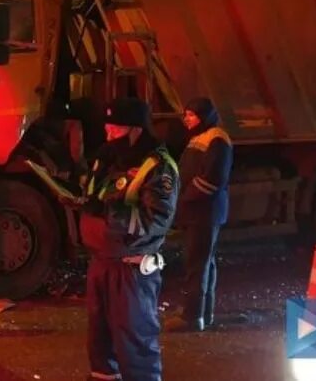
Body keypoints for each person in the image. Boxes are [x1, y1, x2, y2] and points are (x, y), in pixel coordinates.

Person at [79, 98, 179, 381]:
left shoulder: (157, 166)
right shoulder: (108, 157)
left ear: (135, 130)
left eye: (116, 129)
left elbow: (157, 220)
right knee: (100, 342)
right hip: (102, 262)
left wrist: (109, 213)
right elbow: (96, 194)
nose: (109, 135)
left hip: (131, 269)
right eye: (107, 128)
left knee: (135, 343)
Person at [164, 97, 233, 333]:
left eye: (191, 115)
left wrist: (184, 198)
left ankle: (192, 316)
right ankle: (204, 313)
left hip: (204, 211)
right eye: (186, 114)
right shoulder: (199, 137)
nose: (187, 119)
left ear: (204, 116)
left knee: (196, 263)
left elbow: (212, 178)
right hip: (200, 211)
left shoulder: (216, 138)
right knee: (204, 262)